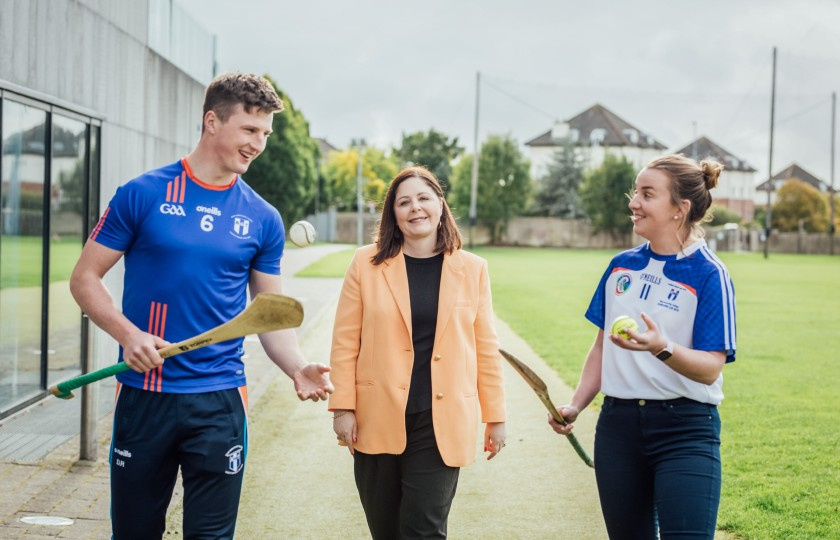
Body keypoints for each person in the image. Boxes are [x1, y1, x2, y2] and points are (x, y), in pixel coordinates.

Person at [69, 72, 333, 540]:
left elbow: (269, 315)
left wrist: (295, 366)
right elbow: (85, 279)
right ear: (212, 121)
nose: (259, 144)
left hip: (220, 400)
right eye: (250, 130)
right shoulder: (143, 194)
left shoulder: (262, 218)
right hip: (145, 396)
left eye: (266, 134)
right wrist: (128, 335)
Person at [549, 154, 737, 539]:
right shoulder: (621, 266)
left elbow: (710, 367)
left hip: (685, 430)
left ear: (679, 209)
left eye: (647, 194)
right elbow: (602, 347)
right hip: (617, 429)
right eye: (635, 191)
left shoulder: (709, 274)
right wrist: (576, 405)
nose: (633, 202)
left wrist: (661, 347)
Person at [329, 166, 507, 539]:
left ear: (441, 205)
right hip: (377, 416)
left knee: (423, 530)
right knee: (386, 530)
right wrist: (343, 408)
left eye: (424, 198)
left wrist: (496, 416)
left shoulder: (473, 269)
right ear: (393, 213)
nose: (415, 208)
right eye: (404, 202)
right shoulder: (366, 263)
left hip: (441, 419)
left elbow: (486, 348)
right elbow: (346, 341)